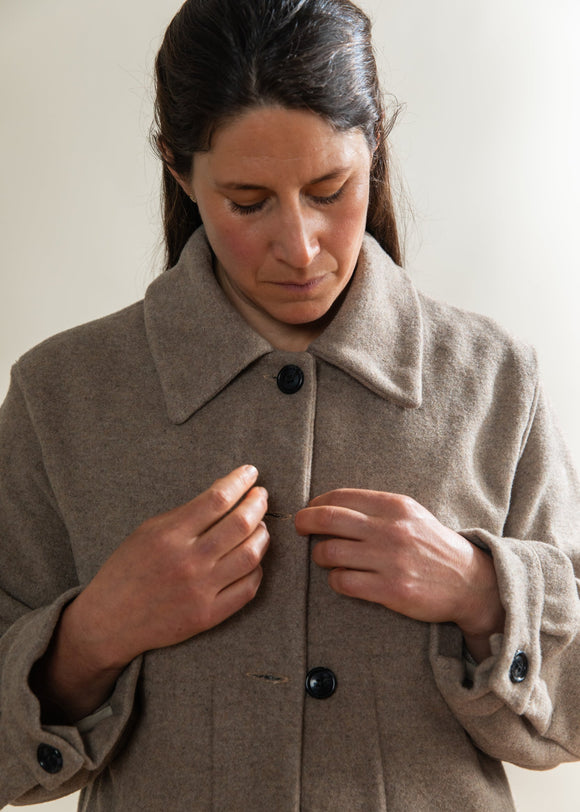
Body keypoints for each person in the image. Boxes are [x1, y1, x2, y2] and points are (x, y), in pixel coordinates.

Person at [0, 0, 579, 808]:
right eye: (247, 201)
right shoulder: (59, 395)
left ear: (374, 147)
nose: (300, 247)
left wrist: (482, 591)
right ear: (178, 170)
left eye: (330, 188)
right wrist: (93, 635)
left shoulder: (496, 381)